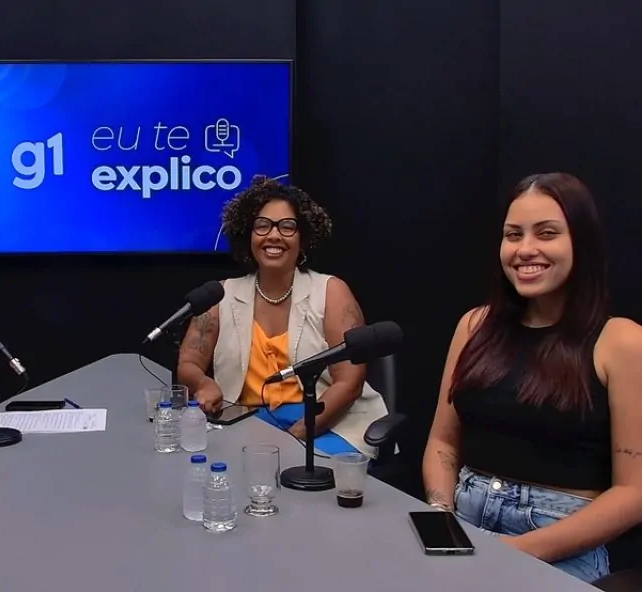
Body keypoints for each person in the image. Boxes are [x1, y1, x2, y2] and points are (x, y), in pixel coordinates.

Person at [422, 173, 642, 583]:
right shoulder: (474, 326)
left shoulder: (622, 342)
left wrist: (516, 552)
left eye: (546, 233)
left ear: (582, 242)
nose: (525, 249)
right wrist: (440, 516)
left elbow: (634, 493)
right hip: (462, 523)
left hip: (561, 542)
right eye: (513, 235)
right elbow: (443, 441)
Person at [177, 175, 387, 457]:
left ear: (303, 238)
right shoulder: (220, 296)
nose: (274, 235)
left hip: (330, 424)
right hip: (249, 425)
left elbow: (349, 383)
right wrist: (203, 383)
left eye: (287, 226)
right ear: (248, 235)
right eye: (262, 225)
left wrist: (296, 436)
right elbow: (188, 363)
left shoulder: (331, 292)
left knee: (299, 475)